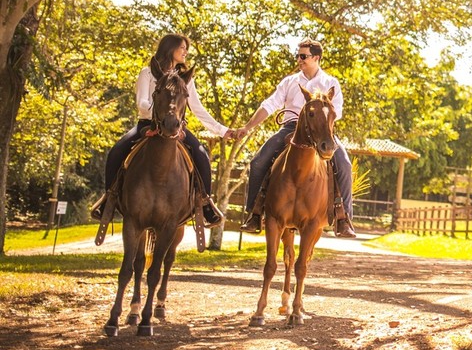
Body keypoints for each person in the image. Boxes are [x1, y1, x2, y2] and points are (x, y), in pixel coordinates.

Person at [91, 34, 234, 228]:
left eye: (187, 48)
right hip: (147, 124)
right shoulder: (147, 73)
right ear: (170, 48)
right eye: (182, 47)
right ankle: (109, 198)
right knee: (117, 150)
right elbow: (141, 101)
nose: (186, 52)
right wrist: (158, 117)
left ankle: (205, 202)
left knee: (201, 155)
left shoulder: (185, 78)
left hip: (176, 127)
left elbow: (198, 109)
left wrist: (222, 130)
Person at [234, 39, 356, 238]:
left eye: (303, 56)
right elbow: (270, 104)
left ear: (316, 58)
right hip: (291, 128)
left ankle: (344, 219)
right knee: (258, 162)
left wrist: (320, 116)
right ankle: (254, 214)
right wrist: (248, 127)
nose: (299, 59)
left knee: (344, 164)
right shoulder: (290, 82)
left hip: (322, 130)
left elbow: (338, 112)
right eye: (298, 55)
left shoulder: (330, 83)